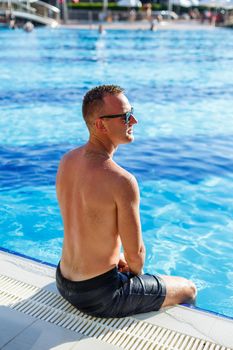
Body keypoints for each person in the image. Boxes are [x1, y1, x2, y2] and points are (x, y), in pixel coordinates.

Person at [56, 84, 197, 318]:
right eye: (126, 116)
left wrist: (113, 260)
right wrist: (130, 268)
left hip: (63, 281)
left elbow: (87, 226)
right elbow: (136, 257)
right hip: (100, 297)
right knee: (188, 289)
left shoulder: (67, 160)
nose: (134, 121)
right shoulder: (121, 181)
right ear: (101, 124)